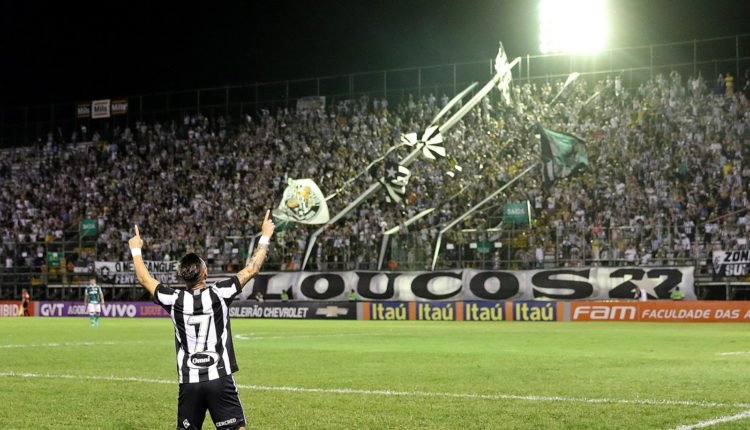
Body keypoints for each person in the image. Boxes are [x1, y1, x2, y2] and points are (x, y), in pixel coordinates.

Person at [128, 209, 275, 430]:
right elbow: (252, 268)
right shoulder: (220, 293)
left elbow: (144, 278)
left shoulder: (174, 299)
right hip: (219, 377)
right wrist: (265, 236)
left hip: (190, 382)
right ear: (204, 274)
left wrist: (135, 249)